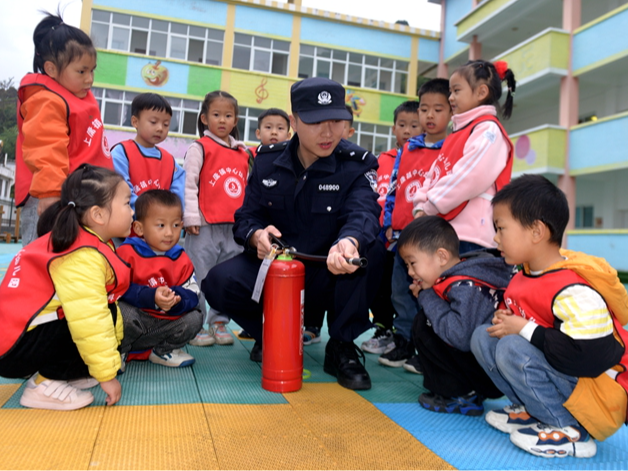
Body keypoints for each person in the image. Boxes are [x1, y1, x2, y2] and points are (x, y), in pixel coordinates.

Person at [202, 77, 385, 391]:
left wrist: (349, 241)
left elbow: (364, 212)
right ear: (294, 122)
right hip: (280, 268)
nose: (328, 133)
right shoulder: (267, 163)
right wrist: (256, 235)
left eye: (336, 122)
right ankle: (272, 335)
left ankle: (341, 345)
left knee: (373, 250)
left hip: (331, 271)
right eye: (316, 122)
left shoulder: (355, 165)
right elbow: (247, 216)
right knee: (219, 282)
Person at [470, 175, 628, 458]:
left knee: (511, 346)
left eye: (501, 228)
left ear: (536, 232)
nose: (495, 238)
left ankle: (572, 431)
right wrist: (508, 321)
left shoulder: (573, 290)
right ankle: (534, 411)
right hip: (568, 380)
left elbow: (588, 358)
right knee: (484, 337)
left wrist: (523, 329)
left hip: (600, 396)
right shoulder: (525, 274)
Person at [0, 164, 133, 410]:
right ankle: (43, 384)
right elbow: (90, 320)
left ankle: (66, 372)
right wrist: (107, 376)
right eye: (127, 203)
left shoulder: (80, 241)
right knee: (87, 319)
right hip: (13, 349)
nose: (132, 212)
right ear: (98, 215)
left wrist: (104, 363)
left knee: (102, 314)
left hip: (16, 340)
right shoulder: (81, 255)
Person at [16, 13, 112, 246]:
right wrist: (50, 194)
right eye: (81, 71)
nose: (89, 79)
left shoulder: (78, 97)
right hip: (53, 198)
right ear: (51, 69)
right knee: (43, 261)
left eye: (92, 70)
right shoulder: (47, 100)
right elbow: (45, 148)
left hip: (83, 196)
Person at [398, 216, 509, 415]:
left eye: (413, 263)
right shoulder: (465, 275)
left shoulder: (465, 285)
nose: (410, 272)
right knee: (427, 321)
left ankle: (462, 395)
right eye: (407, 265)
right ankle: (466, 391)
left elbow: (459, 336)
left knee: (423, 324)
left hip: (492, 373)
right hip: (492, 367)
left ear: (442, 256)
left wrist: (426, 295)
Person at [379, 80, 452, 371]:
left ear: (451, 111)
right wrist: (388, 222)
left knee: (430, 293)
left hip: (432, 239)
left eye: (438, 109)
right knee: (400, 291)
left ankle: (427, 349)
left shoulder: (452, 148)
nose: (429, 116)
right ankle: (404, 341)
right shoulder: (408, 148)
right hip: (401, 236)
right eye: (424, 109)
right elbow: (394, 188)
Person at [412, 60, 516, 251]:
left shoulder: (488, 130)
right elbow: (433, 174)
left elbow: (469, 177)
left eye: (456, 91)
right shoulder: (458, 133)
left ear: (481, 92)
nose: (450, 97)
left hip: (470, 236)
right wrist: (419, 205)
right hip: (446, 230)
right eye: (451, 91)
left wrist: (429, 206)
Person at [183, 91, 251, 347]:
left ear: (235, 120)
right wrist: (190, 217)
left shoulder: (243, 154)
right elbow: (189, 185)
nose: (222, 120)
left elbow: (246, 189)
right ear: (204, 118)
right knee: (199, 275)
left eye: (228, 115)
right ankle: (196, 324)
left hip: (234, 228)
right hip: (203, 226)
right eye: (216, 114)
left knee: (227, 279)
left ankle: (219, 321)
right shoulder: (199, 147)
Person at [116, 190, 203, 369]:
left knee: (195, 317)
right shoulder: (127, 252)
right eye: (161, 225)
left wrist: (177, 298)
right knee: (120, 312)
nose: (170, 233)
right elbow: (117, 289)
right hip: (135, 322)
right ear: (139, 228)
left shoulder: (181, 257)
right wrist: (151, 297)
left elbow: (194, 291)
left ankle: (163, 351)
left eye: (176, 225)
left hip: (165, 324)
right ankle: (119, 351)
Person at [361, 101, 420, 356]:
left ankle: (411, 338)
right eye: (402, 125)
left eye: (413, 125)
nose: (407, 131)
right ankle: (384, 329)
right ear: (394, 127)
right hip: (383, 237)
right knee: (383, 287)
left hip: (414, 238)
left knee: (409, 289)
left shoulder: (423, 158)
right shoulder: (381, 161)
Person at [240, 107, 292, 339]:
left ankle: (304, 325)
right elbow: (249, 209)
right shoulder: (255, 159)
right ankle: (258, 327)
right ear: (258, 132)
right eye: (268, 128)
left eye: (280, 129)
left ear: (289, 134)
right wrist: (256, 233)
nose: (274, 133)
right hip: (265, 238)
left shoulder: (297, 159)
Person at [111, 93, 185, 213]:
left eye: (166, 124)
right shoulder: (121, 153)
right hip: (128, 226)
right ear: (135, 122)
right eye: (153, 122)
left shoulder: (169, 161)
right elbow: (120, 190)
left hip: (162, 226)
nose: (160, 128)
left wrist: (173, 213)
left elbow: (179, 195)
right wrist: (148, 213)